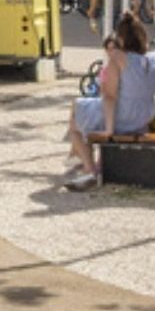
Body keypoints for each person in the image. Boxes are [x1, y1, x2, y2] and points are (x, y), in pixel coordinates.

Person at [65, 12, 155, 191]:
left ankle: (90, 170)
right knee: (83, 111)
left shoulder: (118, 58)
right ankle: (90, 165)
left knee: (76, 113)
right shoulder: (150, 61)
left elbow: (109, 96)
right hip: (143, 117)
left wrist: (109, 128)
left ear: (120, 38)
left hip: (123, 116)